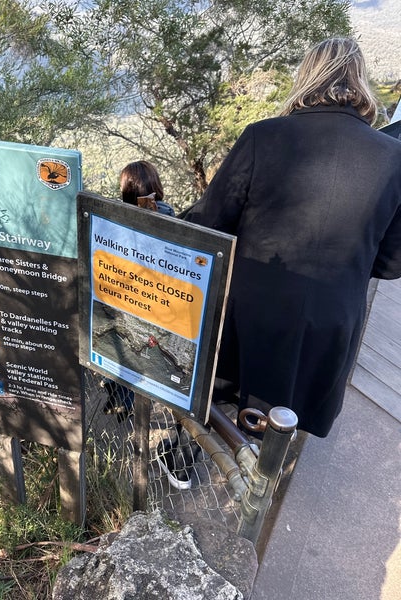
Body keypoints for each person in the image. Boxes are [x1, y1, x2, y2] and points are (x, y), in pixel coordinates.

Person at [184, 37, 401, 438]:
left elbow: (211, 223)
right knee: (289, 416)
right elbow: (392, 262)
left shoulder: (262, 137)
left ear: (307, 77)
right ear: (361, 81)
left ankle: (205, 460)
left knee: (228, 399)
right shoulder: (394, 158)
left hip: (252, 309)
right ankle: (265, 470)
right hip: (332, 317)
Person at [100, 160, 197, 490]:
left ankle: (122, 400)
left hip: (125, 303)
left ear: (125, 189)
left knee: (123, 349)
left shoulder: (115, 220)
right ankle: (136, 399)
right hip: (161, 312)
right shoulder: (174, 221)